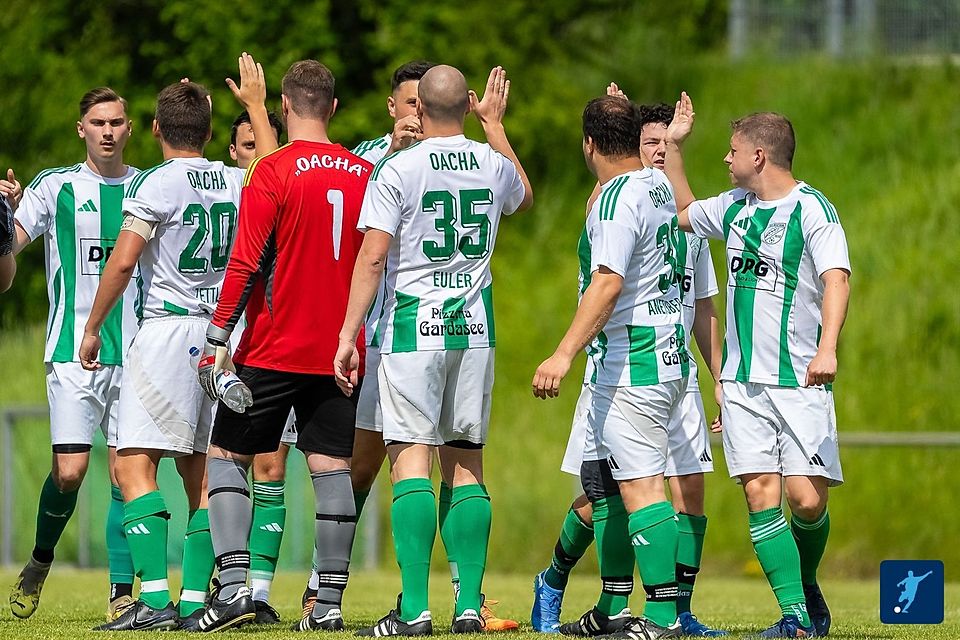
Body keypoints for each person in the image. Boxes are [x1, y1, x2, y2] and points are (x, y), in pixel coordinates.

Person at [334, 64, 532, 637]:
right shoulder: (493, 163)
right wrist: (495, 126)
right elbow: (523, 197)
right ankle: (468, 606)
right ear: (468, 104)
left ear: (417, 107)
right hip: (473, 330)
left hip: (411, 329)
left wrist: (348, 334)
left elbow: (373, 256)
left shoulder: (399, 166)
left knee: (411, 462)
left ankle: (415, 609)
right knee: (466, 463)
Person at [532, 98, 726, 638]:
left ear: (589, 144)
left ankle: (661, 617)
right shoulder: (657, 186)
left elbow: (609, 282)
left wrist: (562, 353)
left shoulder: (618, 197)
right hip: (661, 359)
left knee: (642, 492)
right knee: (609, 490)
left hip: (632, 363)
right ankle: (615, 607)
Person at [664, 93, 851, 638]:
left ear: (759, 156)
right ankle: (795, 617)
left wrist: (828, 347)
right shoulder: (734, 207)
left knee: (806, 500)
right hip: (742, 383)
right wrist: (674, 146)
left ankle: (805, 583)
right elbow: (684, 213)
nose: (726, 158)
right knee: (759, 493)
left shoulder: (812, 210)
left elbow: (837, 279)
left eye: (733, 150)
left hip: (800, 379)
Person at [197, 59, 372, 633]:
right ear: (334, 108)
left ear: (286, 106)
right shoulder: (365, 173)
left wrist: (217, 338)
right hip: (339, 349)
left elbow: (245, 261)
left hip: (272, 345)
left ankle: (231, 590)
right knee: (332, 468)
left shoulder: (269, 170)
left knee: (226, 456)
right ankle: (329, 605)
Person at [78, 79, 250, 631]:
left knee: (132, 464)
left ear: (155, 129)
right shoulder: (235, 179)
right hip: (223, 334)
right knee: (202, 471)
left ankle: (153, 599)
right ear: (209, 131)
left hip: (169, 331)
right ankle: (196, 601)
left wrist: (93, 327)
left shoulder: (155, 182)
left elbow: (125, 260)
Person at [5, 87, 139, 622]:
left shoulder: (146, 187)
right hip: (70, 350)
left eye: (116, 122)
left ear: (129, 128)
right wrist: (3, 216)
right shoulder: (55, 186)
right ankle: (40, 561)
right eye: (98, 123)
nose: (108, 131)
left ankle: (122, 594)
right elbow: (9, 253)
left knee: (126, 475)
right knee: (69, 472)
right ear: (81, 129)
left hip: (134, 352)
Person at [227, 105, 297, 625]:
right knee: (217, 463)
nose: (257, 155)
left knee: (271, 466)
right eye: (248, 146)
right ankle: (218, 584)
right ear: (232, 152)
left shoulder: (285, 186)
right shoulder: (224, 189)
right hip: (222, 335)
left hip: (274, 341)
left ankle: (259, 591)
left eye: (263, 145)